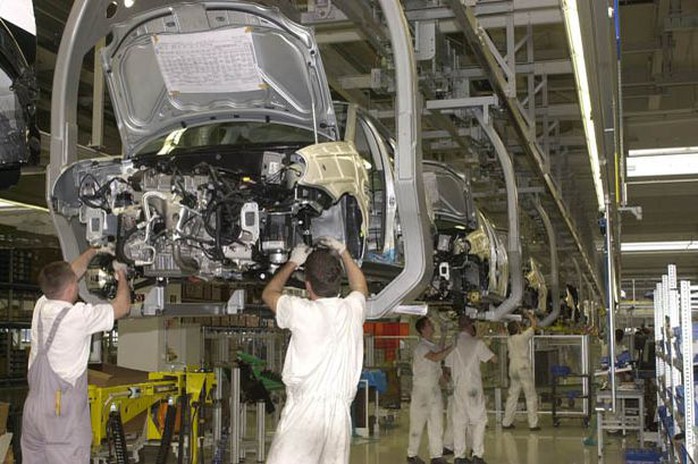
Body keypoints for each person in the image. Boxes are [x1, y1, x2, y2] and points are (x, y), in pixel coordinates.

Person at [262, 237, 368, 464]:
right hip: (339, 419)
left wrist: (291, 263)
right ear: (339, 281)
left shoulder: (301, 311)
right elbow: (360, 286)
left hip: (305, 416)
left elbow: (269, 293)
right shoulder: (351, 310)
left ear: (308, 286)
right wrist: (344, 251)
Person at [21, 248, 132, 463]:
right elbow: (123, 307)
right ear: (73, 287)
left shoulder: (41, 305)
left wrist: (93, 251)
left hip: (33, 411)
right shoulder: (78, 316)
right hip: (61, 415)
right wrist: (121, 274)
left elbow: (68, 273)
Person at [445, 315, 496, 464]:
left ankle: (459, 456)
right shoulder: (477, 343)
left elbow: (447, 369)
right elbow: (494, 359)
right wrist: (483, 341)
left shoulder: (452, 344)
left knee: (459, 421)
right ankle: (477, 455)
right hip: (473, 388)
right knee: (479, 420)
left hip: (458, 387)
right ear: (470, 326)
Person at [406, 317, 454, 464]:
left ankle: (436, 455)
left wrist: (447, 382)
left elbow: (437, 364)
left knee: (437, 424)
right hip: (421, 392)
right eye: (429, 325)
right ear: (422, 329)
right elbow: (436, 357)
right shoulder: (421, 347)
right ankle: (411, 454)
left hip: (434, 390)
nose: (432, 326)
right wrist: (454, 346)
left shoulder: (432, 346)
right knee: (417, 424)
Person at [501, 311, 540, 431]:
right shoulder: (523, 337)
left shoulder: (509, 340)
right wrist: (530, 315)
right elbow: (534, 325)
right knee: (530, 395)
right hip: (523, 366)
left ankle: (506, 422)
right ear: (518, 329)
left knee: (513, 395)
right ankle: (533, 424)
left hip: (512, 367)